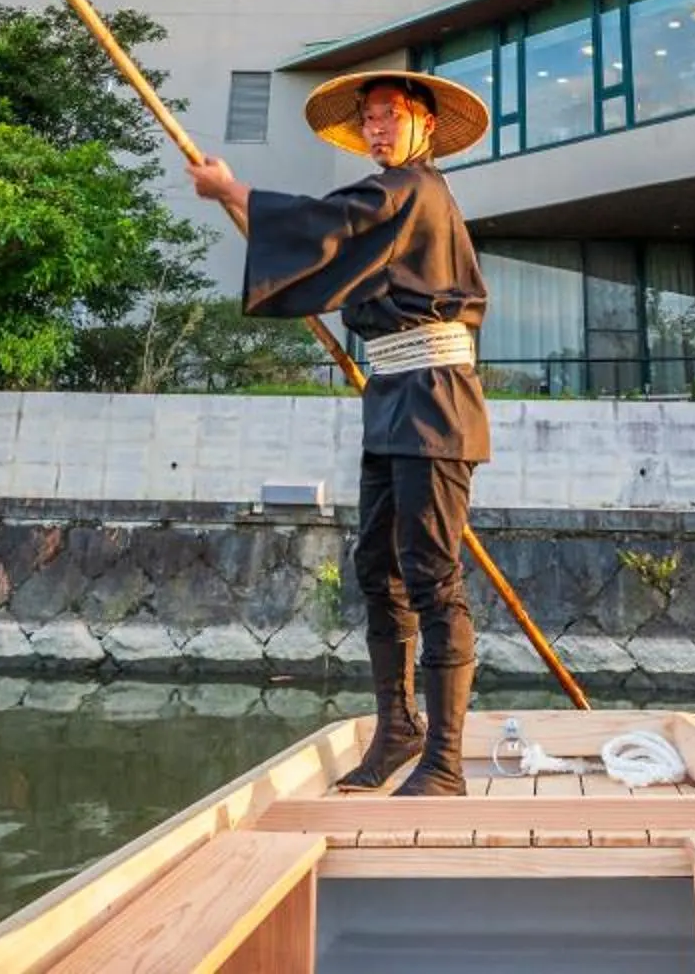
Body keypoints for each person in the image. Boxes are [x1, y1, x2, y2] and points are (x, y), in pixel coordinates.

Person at [188, 69, 492, 796]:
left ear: (423, 124)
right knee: (376, 571)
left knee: (431, 577)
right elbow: (346, 260)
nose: (377, 129)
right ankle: (397, 731)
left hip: (436, 399)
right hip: (392, 394)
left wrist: (236, 193)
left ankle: (445, 761)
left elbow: (336, 227)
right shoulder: (397, 203)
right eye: (369, 120)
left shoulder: (415, 190)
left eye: (390, 115)